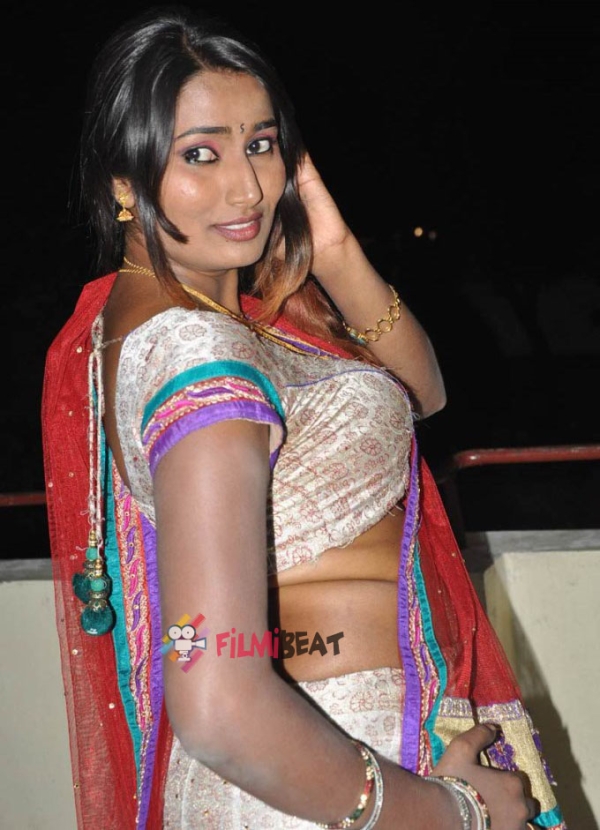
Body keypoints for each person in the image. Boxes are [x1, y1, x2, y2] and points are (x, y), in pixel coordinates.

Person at [41, 6, 565, 829]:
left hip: (340, 761)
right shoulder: (195, 348)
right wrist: (456, 812)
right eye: (200, 154)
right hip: (327, 775)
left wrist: (335, 248)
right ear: (122, 181)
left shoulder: (212, 321)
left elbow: (423, 392)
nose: (247, 188)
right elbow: (218, 700)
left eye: (261, 144)